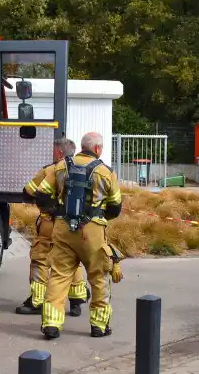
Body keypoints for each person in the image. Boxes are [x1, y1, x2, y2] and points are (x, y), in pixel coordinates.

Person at [33, 131, 124, 339]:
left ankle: (51, 324)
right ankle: (99, 326)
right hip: (92, 232)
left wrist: (54, 213)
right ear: (98, 149)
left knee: (58, 275)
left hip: (63, 228)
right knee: (99, 277)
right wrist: (97, 219)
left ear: (82, 147)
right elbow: (115, 207)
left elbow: (41, 194)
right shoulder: (106, 172)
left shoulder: (61, 166)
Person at [17, 138, 89, 317]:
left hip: (51, 223)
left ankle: (37, 301)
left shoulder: (50, 170)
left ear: (59, 153)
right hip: (75, 224)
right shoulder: (86, 170)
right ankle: (76, 300)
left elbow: (29, 191)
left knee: (40, 259)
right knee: (71, 258)